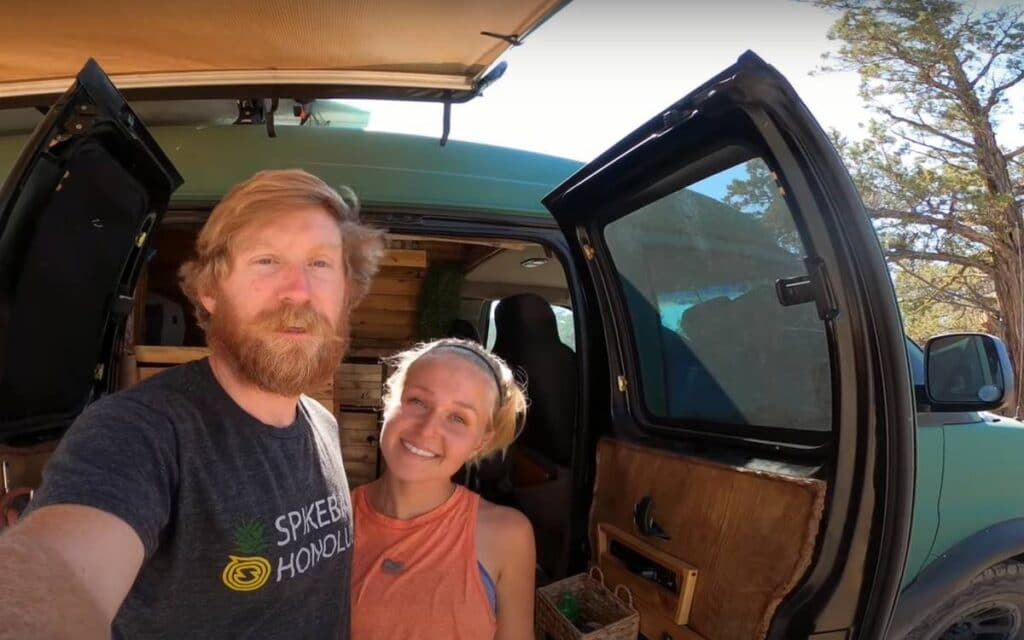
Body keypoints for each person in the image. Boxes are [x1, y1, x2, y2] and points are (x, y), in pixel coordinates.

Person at [0, 169, 384, 639]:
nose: (298, 291)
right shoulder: (139, 433)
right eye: (266, 260)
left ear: (348, 293)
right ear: (209, 291)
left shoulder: (321, 423)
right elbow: (54, 570)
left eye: (321, 264)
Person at [351, 338, 535, 640]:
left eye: (458, 418)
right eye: (417, 402)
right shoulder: (333, 518)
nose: (427, 430)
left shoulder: (508, 536)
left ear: (481, 442)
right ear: (389, 402)